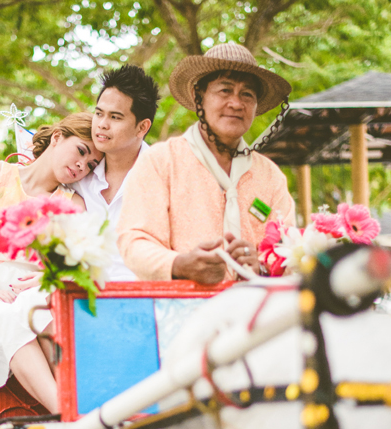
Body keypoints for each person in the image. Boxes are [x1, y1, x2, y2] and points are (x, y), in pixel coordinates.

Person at [0, 113, 100, 413]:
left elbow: (68, 262)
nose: (82, 166)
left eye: (92, 164)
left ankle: (81, 404)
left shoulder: (72, 204)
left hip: (34, 288)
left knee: (40, 309)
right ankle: (68, 414)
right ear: (57, 137)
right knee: (10, 319)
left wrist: (48, 276)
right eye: (81, 151)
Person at [117, 43, 295, 284]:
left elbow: (289, 250)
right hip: (179, 313)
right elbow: (134, 242)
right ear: (198, 96)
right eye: (225, 90)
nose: (236, 103)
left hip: (254, 314)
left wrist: (262, 267)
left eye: (247, 94)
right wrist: (179, 265)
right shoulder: (161, 161)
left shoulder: (270, 177)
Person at [72, 64, 159, 281]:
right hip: (81, 298)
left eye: (115, 117)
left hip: (144, 300)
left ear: (142, 127)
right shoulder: (78, 171)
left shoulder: (164, 177)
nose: (102, 124)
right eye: (99, 114)